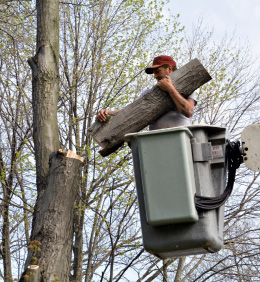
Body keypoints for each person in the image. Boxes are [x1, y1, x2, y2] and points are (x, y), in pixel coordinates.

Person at [96, 55, 196, 130]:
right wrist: (109, 113)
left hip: (180, 140)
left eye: (158, 71)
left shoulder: (186, 88)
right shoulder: (148, 94)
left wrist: (170, 89)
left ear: (169, 69)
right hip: (155, 144)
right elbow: (131, 111)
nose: (155, 76)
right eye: (154, 73)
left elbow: (189, 111)